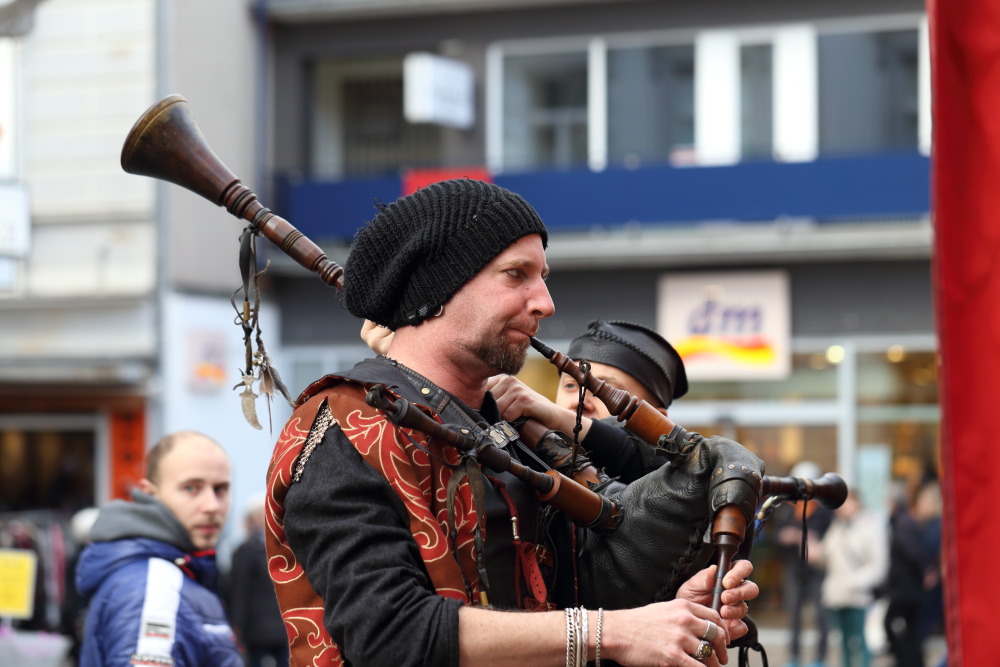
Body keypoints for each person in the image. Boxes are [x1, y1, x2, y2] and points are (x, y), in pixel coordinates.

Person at [266, 178, 763, 666]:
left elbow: (550, 598)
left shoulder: (498, 429)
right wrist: (610, 632)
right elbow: (390, 632)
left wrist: (670, 606)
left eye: (542, 275)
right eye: (516, 274)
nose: (545, 302)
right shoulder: (344, 429)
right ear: (439, 286)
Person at [76, 430, 242, 667]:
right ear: (149, 493)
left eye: (220, 489)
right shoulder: (158, 588)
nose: (211, 506)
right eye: (191, 488)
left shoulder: (173, 572)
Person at [812, 489, 888, 667]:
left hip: (858, 597)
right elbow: (827, 558)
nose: (843, 507)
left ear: (857, 503)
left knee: (860, 642)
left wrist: (855, 582)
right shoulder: (836, 527)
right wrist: (815, 553)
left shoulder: (870, 527)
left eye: (847, 502)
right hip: (836, 596)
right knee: (844, 643)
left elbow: (879, 565)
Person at [773, 461, 833, 667]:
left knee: (821, 616)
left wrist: (806, 539)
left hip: (818, 570)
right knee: (794, 615)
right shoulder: (788, 508)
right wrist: (787, 536)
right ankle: (794, 656)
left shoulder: (824, 510)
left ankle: (819, 657)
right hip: (795, 568)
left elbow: (829, 539)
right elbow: (777, 536)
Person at [230, 494, 289, 667]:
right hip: (269, 626)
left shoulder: (249, 550)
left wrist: (237, 622)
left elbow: (239, 589)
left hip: (267, 627)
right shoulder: (257, 550)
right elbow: (240, 589)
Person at [883, 486, 930, 667]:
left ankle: (906, 661)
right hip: (907, 588)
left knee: (891, 624)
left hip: (906, 589)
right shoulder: (904, 522)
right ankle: (911, 661)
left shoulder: (903, 524)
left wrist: (925, 571)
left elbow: (914, 552)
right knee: (909, 630)